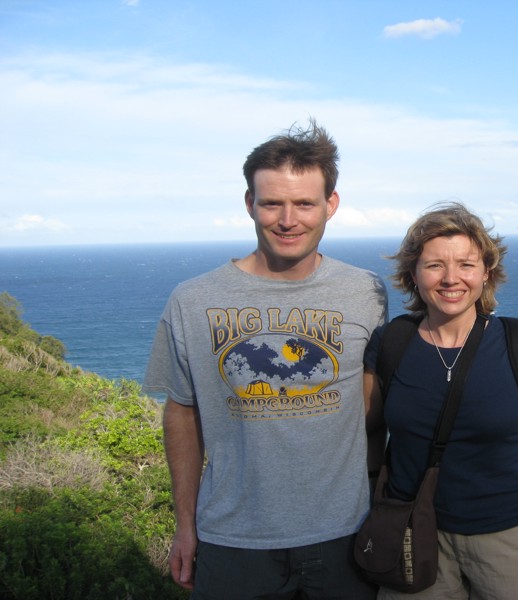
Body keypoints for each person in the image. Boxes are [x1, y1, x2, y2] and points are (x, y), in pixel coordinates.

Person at [144, 120, 387, 599]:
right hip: (232, 539)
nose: (288, 219)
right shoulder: (192, 300)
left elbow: (369, 411)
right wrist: (185, 525)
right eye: (272, 203)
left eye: (305, 204)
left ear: (331, 204)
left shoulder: (366, 292)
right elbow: (182, 414)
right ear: (249, 203)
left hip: (345, 533)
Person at [364, 203, 518, 600]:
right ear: (413, 274)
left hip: (514, 537)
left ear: (486, 272)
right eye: (434, 265)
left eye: (466, 265)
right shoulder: (391, 344)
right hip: (413, 532)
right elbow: (368, 431)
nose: (451, 278)